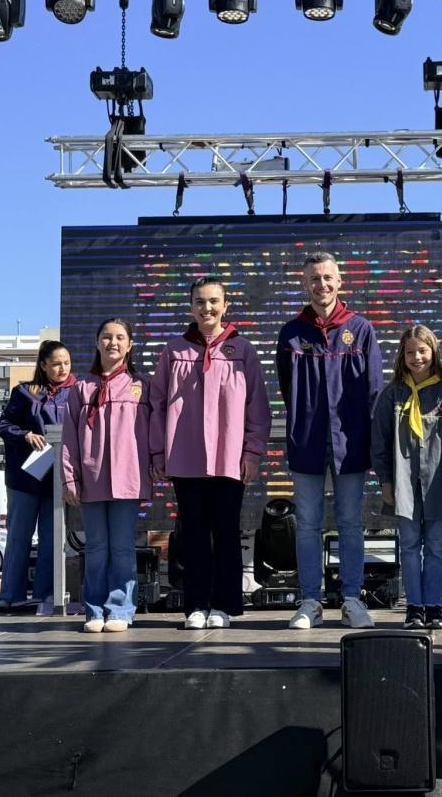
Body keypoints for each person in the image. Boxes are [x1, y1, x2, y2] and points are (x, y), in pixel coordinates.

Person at [150, 277, 271, 630]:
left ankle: (225, 604)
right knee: (193, 535)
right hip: (185, 459)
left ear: (225, 305)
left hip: (229, 459)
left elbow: (257, 407)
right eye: (200, 302)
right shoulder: (173, 351)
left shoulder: (242, 350)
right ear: (191, 308)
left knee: (227, 533)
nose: (208, 308)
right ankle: (196, 605)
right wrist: (158, 453)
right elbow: (157, 405)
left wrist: (252, 452)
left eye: (214, 301)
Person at [276, 251, 383, 630]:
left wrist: (369, 439)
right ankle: (310, 602)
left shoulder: (361, 328)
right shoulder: (291, 332)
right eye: (313, 279)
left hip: (350, 442)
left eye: (327, 278)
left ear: (339, 282)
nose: (321, 284)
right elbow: (288, 388)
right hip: (306, 440)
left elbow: (374, 391)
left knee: (351, 522)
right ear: (304, 284)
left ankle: (352, 599)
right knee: (306, 524)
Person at [61, 318, 152, 634]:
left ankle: (121, 609)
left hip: (128, 477)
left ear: (130, 345)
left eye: (120, 337)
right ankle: (94, 609)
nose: (113, 342)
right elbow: (70, 437)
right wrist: (69, 478)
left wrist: (156, 462)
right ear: (97, 342)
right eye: (106, 337)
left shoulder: (141, 385)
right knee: (96, 547)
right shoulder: (82, 388)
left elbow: (152, 432)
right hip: (92, 477)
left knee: (123, 547)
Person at [371, 325, 442, 630]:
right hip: (403, 484)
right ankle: (414, 607)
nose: (416, 357)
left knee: (436, 545)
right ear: (402, 355)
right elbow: (380, 442)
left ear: (434, 352)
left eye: (422, 350)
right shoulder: (392, 395)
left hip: (439, 483)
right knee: (410, 544)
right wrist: (386, 481)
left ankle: (434, 606)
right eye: (410, 352)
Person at [0, 340, 77, 613]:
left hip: (58, 476)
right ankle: (10, 594)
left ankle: (47, 595)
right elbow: (3, 424)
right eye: (56, 364)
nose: (62, 369)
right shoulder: (25, 392)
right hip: (27, 475)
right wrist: (25, 435)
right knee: (19, 536)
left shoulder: (78, 392)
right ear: (43, 365)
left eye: (66, 363)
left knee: (53, 539)